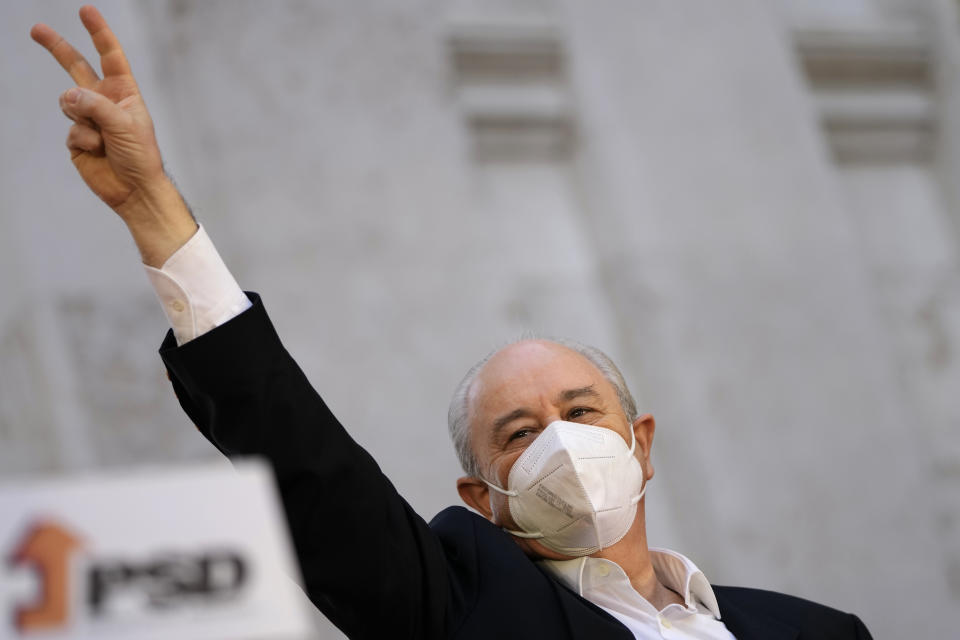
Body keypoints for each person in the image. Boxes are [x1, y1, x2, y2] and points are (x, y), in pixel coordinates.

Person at [31, 7, 873, 639]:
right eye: (517, 433)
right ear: (483, 497)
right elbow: (312, 478)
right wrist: (153, 210)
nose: (561, 442)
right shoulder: (471, 603)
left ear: (640, 443)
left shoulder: (816, 630)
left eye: (581, 413)